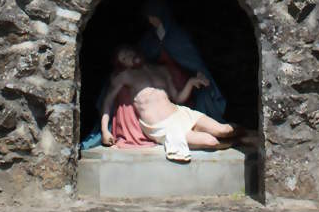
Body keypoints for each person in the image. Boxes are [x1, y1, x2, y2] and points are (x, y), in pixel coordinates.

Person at [101, 45, 247, 163]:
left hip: (180, 113)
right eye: (123, 58)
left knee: (224, 130)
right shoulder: (124, 77)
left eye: (128, 52)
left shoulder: (161, 70)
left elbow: (178, 98)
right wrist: (105, 131)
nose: (128, 57)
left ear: (134, 50)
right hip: (162, 127)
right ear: (121, 64)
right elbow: (107, 103)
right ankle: (241, 140)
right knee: (211, 141)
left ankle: (246, 132)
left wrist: (191, 83)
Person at [138, 0, 226, 122]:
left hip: (181, 76)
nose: (151, 20)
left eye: (154, 16)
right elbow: (144, 57)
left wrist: (199, 72)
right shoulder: (149, 38)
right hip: (162, 77)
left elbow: (191, 58)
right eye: (149, 17)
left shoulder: (177, 35)